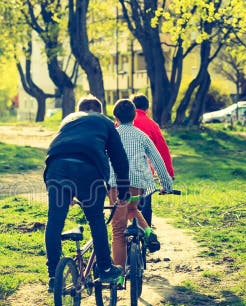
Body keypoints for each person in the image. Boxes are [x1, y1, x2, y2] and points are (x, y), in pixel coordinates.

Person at [44, 96, 131, 292]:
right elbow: (119, 159)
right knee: (95, 219)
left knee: (55, 221)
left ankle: (53, 275)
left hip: (56, 169)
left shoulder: (69, 120)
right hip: (88, 172)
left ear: (79, 110)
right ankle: (106, 268)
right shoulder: (105, 122)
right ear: (99, 111)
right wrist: (123, 190)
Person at [108, 99, 173, 268]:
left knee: (118, 230)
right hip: (137, 183)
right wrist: (166, 184)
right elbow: (158, 160)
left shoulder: (111, 135)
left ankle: (119, 275)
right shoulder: (141, 135)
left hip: (116, 184)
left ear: (115, 117)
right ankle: (149, 232)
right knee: (132, 209)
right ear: (135, 116)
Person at [131, 93, 174, 227]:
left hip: (122, 176)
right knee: (144, 207)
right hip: (144, 175)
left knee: (124, 208)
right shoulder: (152, 125)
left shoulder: (119, 124)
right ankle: (146, 238)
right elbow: (163, 151)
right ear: (147, 109)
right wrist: (169, 175)